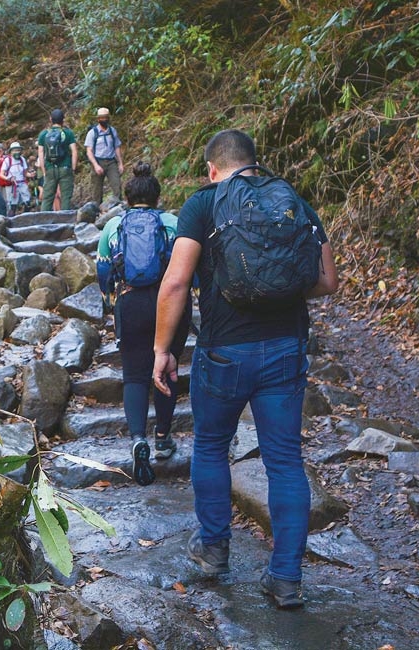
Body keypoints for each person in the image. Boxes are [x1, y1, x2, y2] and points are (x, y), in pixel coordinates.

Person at [153, 129, 339, 608]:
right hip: (284, 350)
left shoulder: (204, 204)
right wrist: (278, 288)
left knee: (212, 446)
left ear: (213, 169)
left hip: (223, 353)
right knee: (284, 462)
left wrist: (162, 349)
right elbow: (326, 281)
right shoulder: (291, 200)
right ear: (256, 163)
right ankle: (286, 578)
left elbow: (175, 284)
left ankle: (214, 550)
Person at [96, 162, 191, 486]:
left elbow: (103, 268)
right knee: (168, 366)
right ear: (157, 195)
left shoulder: (114, 225)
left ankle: (139, 438)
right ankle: (163, 437)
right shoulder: (172, 223)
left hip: (132, 302)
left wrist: (109, 298)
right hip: (171, 302)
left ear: (128, 194)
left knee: (135, 375)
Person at [37, 109, 77, 211]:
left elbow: (41, 153)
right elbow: (74, 151)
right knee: (65, 198)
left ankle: (43, 222)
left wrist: (44, 170)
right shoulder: (68, 133)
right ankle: (65, 223)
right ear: (63, 120)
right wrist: (73, 168)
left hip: (50, 168)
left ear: (51, 119)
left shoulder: (44, 134)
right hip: (65, 168)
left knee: (47, 198)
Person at [84, 107, 124, 205]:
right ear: (98, 119)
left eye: (106, 117)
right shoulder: (93, 133)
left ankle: (118, 208)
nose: (104, 120)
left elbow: (117, 147)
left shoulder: (112, 131)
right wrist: (95, 165)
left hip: (111, 162)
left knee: (117, 185)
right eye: (102, 118)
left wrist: (120, 163)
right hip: (98, 161)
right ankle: (96, 211)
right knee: (97, 190)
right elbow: (89, 151)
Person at [0, 142, 32, 217]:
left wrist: (31, 175)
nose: (17, 152)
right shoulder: (7, 160)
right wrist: (9, 178)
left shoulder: (22, 159)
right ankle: (11, 220)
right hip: (12, 185)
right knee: (12, 205)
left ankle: (26, 218)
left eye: (18, 150)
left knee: (27, 201)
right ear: (11, 152)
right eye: (15, 150)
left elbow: (25, 173)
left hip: (22, 183)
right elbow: (1, 174)